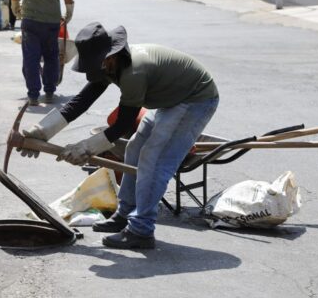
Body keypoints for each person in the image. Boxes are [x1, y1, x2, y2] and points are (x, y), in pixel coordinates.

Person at [20, 22, 219, 249]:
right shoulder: (110, 64)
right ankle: (125, 214)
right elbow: (81, 102)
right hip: (171, 99)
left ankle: (141, 230)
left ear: (110, 58)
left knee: (154, 160)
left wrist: (85, 148)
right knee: (134, 149)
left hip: (195, 99)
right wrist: (41, 131)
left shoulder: (134, 72)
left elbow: (121, 125)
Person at [10, 0, 74, 106]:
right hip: (52, 20)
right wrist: (69, 11)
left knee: (31, 58)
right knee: (51, 56)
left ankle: (33, 95)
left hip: (30, 19)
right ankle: (50, 92)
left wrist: (15, 6)